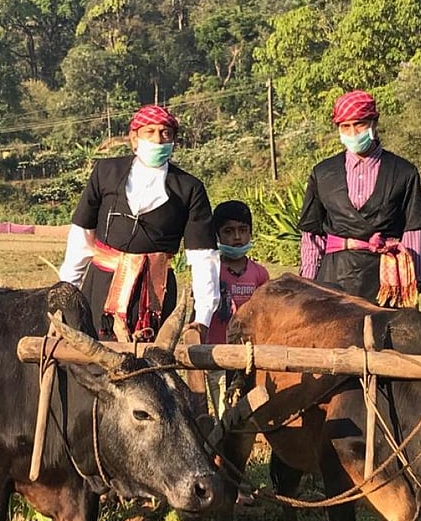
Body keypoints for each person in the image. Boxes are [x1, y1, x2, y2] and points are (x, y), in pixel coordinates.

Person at [58, 104, 220, 342]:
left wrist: (202, 317)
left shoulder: (189, 189)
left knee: (150, 369)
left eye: (166, 133)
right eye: (150, 132)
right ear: (134, 138)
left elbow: (203, 256)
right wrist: (65, 294)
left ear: (174, 140)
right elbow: (81, 238)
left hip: (155, 294)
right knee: (91, 364)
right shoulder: (106, 172)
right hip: (101, 287)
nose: (158, 139)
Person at [298, 90, 421, 307]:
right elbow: (312, 234)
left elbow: (413, 229)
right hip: (334, 279)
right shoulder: (322, 174)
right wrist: (308, 284)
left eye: (359, 124)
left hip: (387, 278)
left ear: (374, 123)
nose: (352, 132)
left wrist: (414, 282)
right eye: (345, 126)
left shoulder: (404, 172)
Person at [205, 200, 270, 419]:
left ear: (250, 233)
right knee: (223, 408)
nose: (237, 237)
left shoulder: (259, 274)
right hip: (217, 352)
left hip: (249, 354)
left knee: (245, 410)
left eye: (243, 231)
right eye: (229, 231)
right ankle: (219, 452)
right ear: (217, 235)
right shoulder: (211, 272)